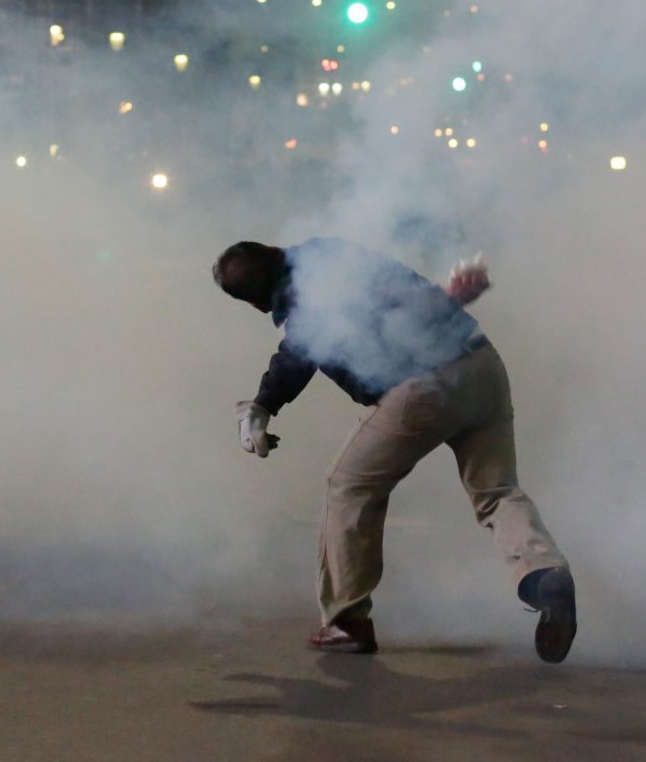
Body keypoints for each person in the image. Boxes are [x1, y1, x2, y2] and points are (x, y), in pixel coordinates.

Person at [212, 236, 576, 660]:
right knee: (497, 491)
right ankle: (544, 573)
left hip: (423, 388)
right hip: (481, 365)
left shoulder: (306, 297)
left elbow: (299, 352)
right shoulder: (331, 256)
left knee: (348, 486)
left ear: (255, 304)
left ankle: (347, 622)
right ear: (276, 250)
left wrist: (262, 405)